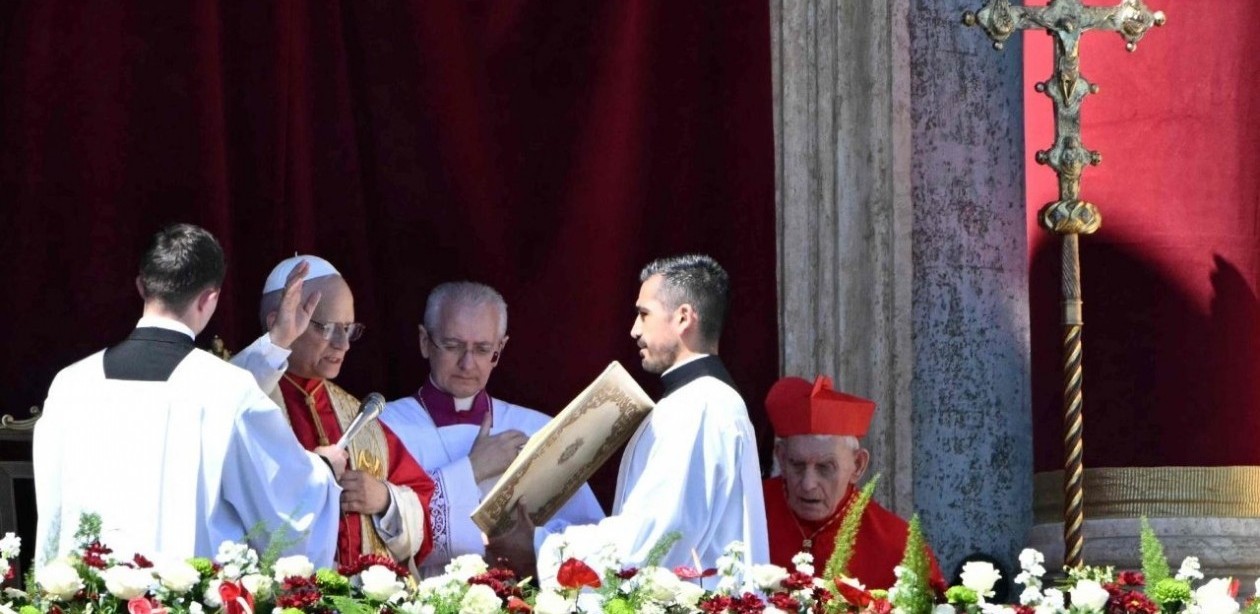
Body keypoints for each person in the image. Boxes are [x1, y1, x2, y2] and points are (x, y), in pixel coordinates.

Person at [33, 224, 345, 568]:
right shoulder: (225, 390)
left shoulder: (71, 384)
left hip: (87, 599)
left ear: (141, 286)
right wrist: (324, 469)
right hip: (187, 601)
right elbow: (287, 513)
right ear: (210, 298)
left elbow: (52, 513)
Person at [495, 254, 768, 580]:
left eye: (644, 314)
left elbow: (655, 539)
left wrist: (541, 545)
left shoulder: (701, 405)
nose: (634, 330)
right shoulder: (697, 401)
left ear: (683, 318)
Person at [377, 281, 605, 576]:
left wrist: (533, 543)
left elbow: (588, 537)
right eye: (452, 346)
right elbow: (374, 535)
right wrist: (471, 470)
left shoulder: (537, 429)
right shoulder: (383, 428)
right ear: (424, 341)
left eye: (483, 349)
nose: (467, 363)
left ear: (500, 349)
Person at [231, 255, 434, 571]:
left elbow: (424, 508)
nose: (343, 344)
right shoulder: (243, 395)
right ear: (277, 322)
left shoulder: (357, 414)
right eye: (326, 328)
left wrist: (384, 500)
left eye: (348, 329)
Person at [762, 375, 945, 590]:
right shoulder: (746, 512)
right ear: (781, 458)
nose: (808, 484)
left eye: (825, 468)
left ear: (857, 465)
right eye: (797, 465)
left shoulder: (899, 548)